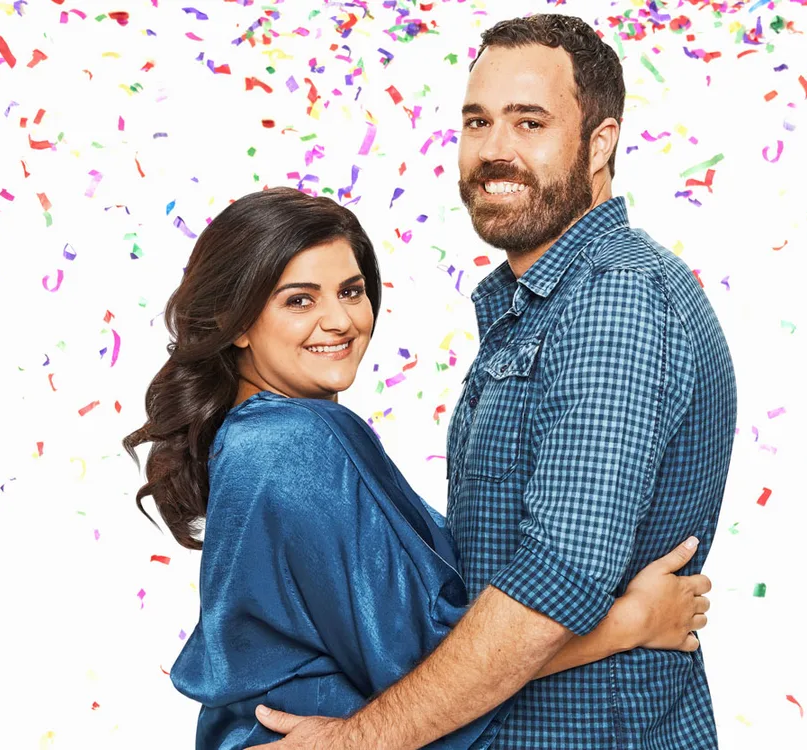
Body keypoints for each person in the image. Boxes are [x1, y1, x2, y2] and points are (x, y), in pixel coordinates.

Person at [252, 13, 736, 750]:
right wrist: (630, 621)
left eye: (529, 122)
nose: (494, 149)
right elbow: (465, 593)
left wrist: (356, 743)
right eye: (478, 122)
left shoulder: (617, 299)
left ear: (600, 143)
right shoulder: (539, 305)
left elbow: (555, 582)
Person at [124, 187, 712, 750]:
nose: (339, 321)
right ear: (237, 323)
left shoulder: (260, 434)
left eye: (351, 291)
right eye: (299, 300)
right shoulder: (291, 444)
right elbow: (426, 663)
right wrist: (633, 621)